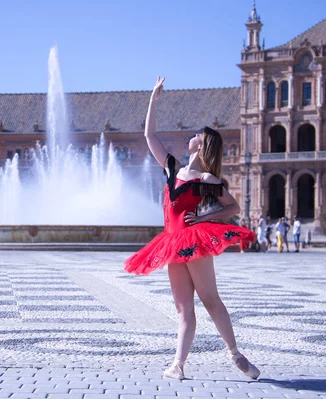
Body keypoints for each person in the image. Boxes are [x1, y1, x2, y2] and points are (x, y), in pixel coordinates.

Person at [124, 77, 259, 381]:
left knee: (210, 299)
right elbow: (149, 135)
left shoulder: (208, 180)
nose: (190, 137)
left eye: (195, 135)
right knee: (184, 309)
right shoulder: (173, 168)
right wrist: (152, 100)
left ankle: (235, 353)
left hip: (193, 242)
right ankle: (178, 364)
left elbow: (234, 207)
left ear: (202, 143)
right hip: (171, 242)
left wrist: (202, 221)